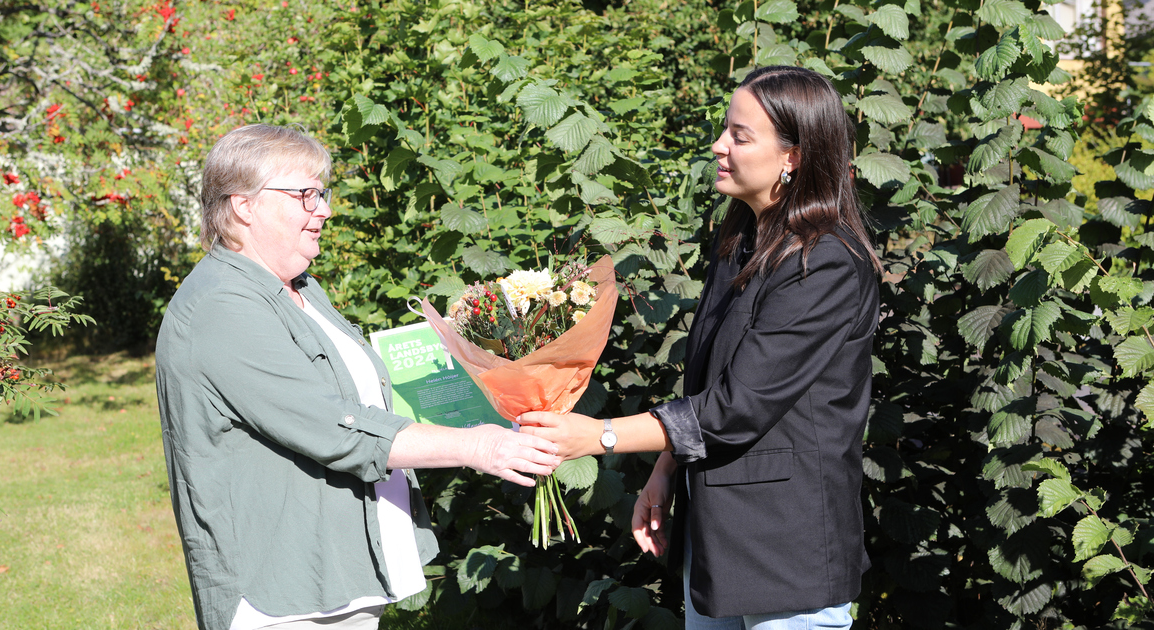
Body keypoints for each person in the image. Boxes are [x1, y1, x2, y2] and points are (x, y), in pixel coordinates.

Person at [518, 66, 882, 630]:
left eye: (741, 135)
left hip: (787, 553)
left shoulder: (825, 261)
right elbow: (707, 384)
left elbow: (739, 404)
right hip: (718, 544)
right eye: (725, 129)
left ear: (795, 156)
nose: (719, 146)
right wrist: (664, 471)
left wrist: (601, 436)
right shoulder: (742, 238)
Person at [156, 124, 561, 630]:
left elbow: (356, 393)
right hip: (285, 589)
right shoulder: (222, 306)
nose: (323, 210)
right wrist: (479, 448)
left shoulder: (299, 287)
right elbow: (334, 426)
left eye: (322, 193)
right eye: (305, 195)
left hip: (339, 572)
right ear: (244, 205)